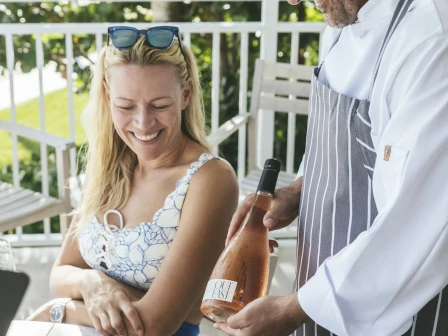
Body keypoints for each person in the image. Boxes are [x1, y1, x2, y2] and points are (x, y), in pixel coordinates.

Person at [214, 0, 448, 335]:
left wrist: (293, 309)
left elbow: (420, 223)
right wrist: (298, 191)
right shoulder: (340, 23)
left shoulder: (431, 40)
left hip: (394, 310)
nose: (294, 1)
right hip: (316, 288)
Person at [27, 25, 239, 336]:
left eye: (159, 106)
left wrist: (58, 310)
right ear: (108, 96)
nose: (143, 123)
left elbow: (153, 326)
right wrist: (93, 282)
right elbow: (61, 273)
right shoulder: (110, 167)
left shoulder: (209, 180)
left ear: (185, 94)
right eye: (126, 107)